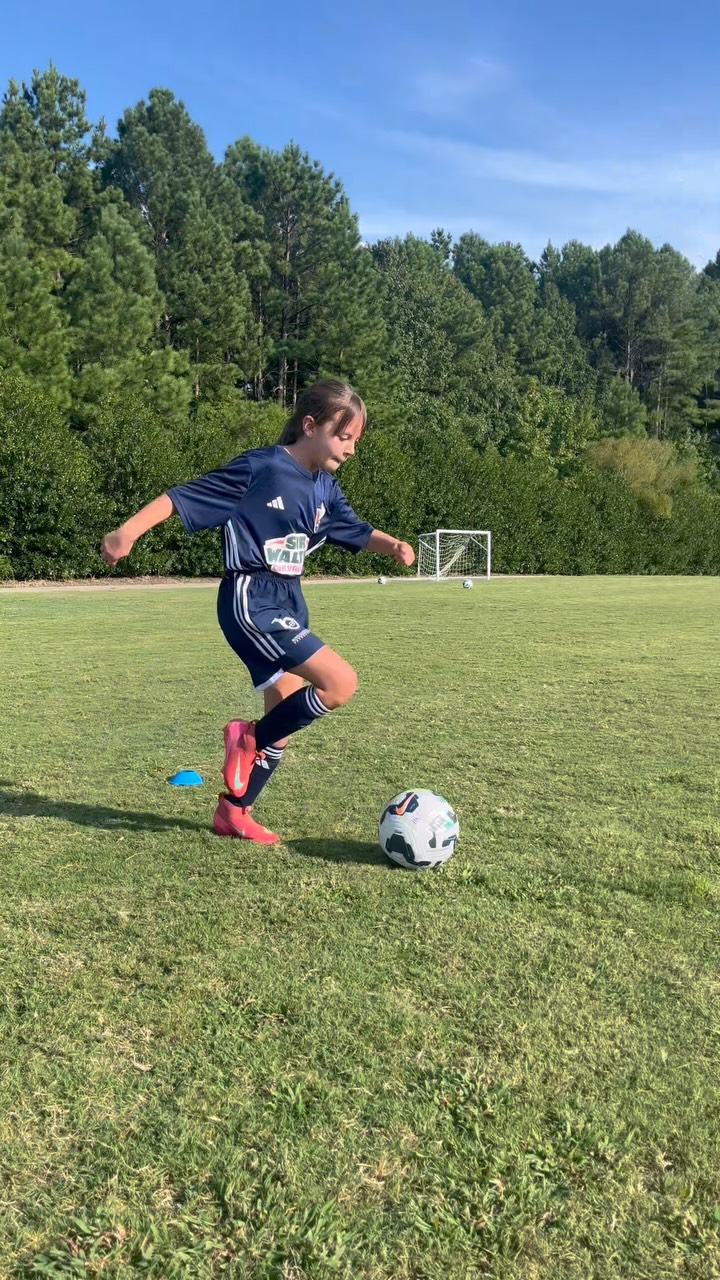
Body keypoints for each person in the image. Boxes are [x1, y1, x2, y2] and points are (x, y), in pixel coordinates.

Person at [100, 379, 415, 844]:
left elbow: (354, 529)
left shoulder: (325, 488)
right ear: (310, 425)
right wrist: (125, 533)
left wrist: (392, 545)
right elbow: (181, 498)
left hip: (289, 599)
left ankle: (234, 811)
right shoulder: (261, 467)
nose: (350, 450)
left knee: (284, 716)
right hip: (251, 597)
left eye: (355, 441)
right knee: (339, 683)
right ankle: (245, 738)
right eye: (343, 436)